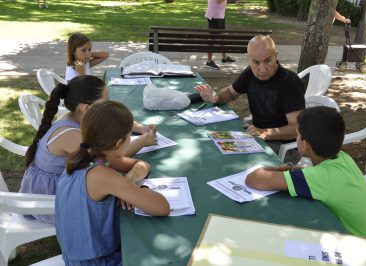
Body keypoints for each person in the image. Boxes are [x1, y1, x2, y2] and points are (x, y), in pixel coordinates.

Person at [20, 75, 156, 224]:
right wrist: (142, 142)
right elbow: (114, 157)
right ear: (86, 108)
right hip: (49, 200)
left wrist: (140, 128)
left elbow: (116, 122)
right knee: (124, 206)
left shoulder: (77, 117)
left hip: (60, 187)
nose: (109, 105)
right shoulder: (72, 136)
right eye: (105, 102)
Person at [55, 100, 170, 265]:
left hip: (78, 255)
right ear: (119, 143)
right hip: (98, 261)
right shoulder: (101, 174)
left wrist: (129, 179)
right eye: (130, 136)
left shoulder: (84, 157)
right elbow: (162, 207)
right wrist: (140, 188)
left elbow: (142, 165)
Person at [245, 106, 366, 238]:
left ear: (305, 145)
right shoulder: (343, 157)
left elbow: (253, 179)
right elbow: (323, 179)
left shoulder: (320, 177)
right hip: (360, 241)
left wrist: (279, 168)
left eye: (297, 134)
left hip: (349, 249)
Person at [196, 35, 305, 154]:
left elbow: (295, 128)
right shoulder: (250, 73)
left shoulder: (290, 82)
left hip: (282, 145)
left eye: (268, 61)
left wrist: (265, 132)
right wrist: (216, 98)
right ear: (249, 59)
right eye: (256, 62)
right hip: (256, 135)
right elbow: (231, 92)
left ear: (276, 56)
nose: (262, 69)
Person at [205, 0, 236, 70]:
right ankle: (209, 61)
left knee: (223, 36)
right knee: (211, 38)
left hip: (219, 15)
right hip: (214, 15)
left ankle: (224, 57)